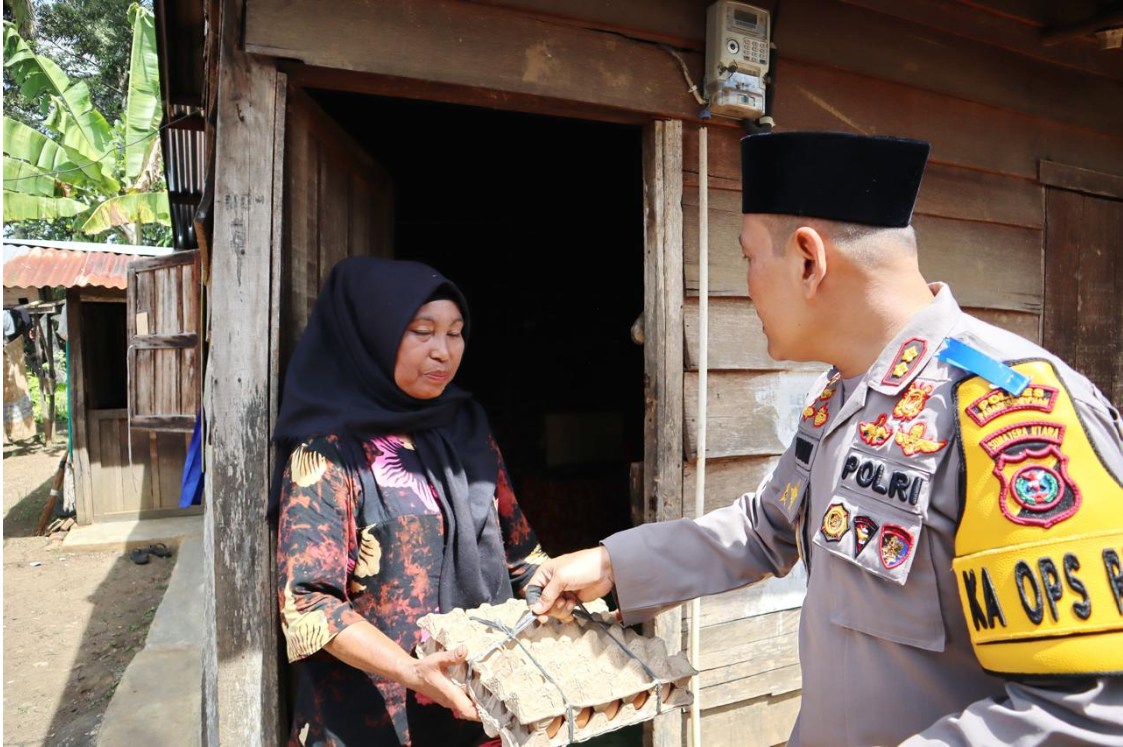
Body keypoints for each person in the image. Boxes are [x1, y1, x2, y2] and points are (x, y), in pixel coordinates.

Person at [528, 132, 1123, 745]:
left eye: (748, 258)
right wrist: (611, 564)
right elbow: (767, 528)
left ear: (809, 260)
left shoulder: (1013, 411)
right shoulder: (843, 392)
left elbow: (1086, 714)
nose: (747, 284)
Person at [272, 257, 547, 746]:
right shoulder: (327, 453)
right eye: (423, 331)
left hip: (479, 705)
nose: (444, 351)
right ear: (373, 336)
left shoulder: (467, 429)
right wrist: (410, 670)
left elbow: (520, 555)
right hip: (373, 719)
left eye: (455, 332)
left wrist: (565, 593)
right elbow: (308, 603)